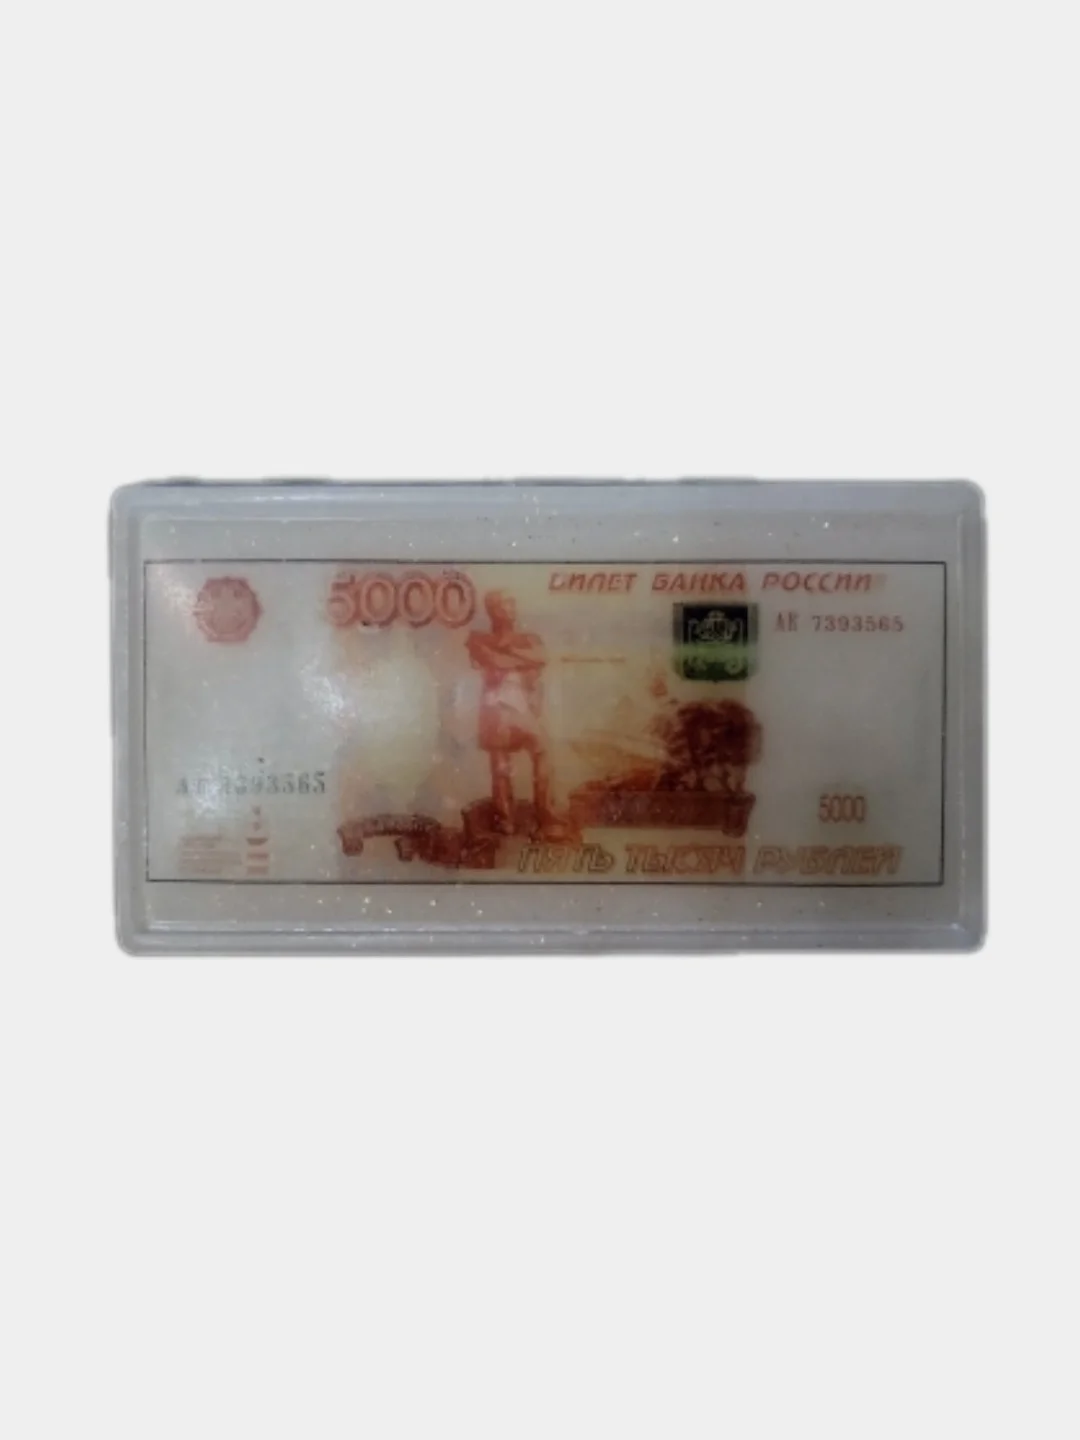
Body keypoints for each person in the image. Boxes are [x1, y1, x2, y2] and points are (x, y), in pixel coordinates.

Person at [466, 590, 553, 833]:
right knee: (500, 764)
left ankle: (545, 814)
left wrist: (507, 652)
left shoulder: (528, 638)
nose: (510, 609)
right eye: (504, 605)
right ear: (492, 611)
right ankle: (505, 820)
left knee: (542, 750)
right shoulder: (478, 639)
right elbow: (494, 661)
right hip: (496, 707)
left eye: (512, 603)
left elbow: (542, 657)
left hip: (521, 706)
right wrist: (522, 659)